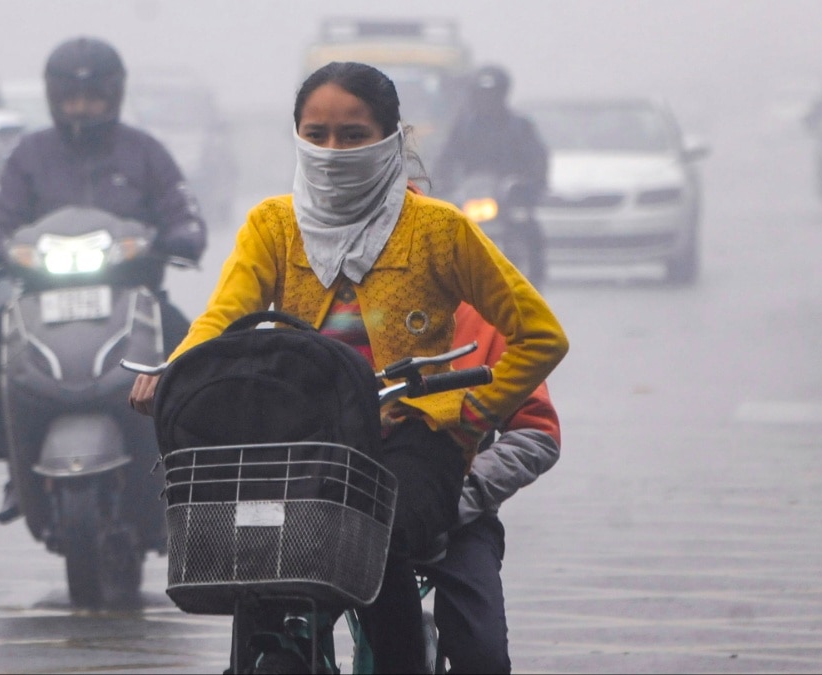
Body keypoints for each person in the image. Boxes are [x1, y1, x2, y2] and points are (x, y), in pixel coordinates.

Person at [129, 61, 568, 673]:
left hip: (410, 447)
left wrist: (460, 413)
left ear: (392, 138)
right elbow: (221, 321)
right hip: (303, 443)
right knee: (257, 558)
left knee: (374, 540)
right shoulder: (272, 225)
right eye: (317, 134)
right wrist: (175, 370)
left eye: (353, 135)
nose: (332, 151)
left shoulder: (441, 230)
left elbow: (541, 335)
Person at [0, 36, 206, 524]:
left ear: (114, 95)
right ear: (54, 97)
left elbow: (184, 214)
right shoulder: (28, 156)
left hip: (134, 298)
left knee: (189, 349)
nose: (82, 109)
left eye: (93, 98)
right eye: (72, 98)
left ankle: (187, 466)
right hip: (40, 300)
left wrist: (179, 238)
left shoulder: (146, 153)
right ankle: (13, 461)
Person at [418, 302, 561, 674]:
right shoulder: (329, 303)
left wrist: (464, 492)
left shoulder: (485, 320)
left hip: (456, 516)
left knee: (483, 657)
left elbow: (537, 433)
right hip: (347, 511)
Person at [432, 64, 549, 205]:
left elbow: (537, 160)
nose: (487, 100)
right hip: (469, 196)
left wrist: (528, 184)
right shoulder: (464, 127)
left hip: (509, 199)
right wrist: (441, 181)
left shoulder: (520, 127)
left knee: (525, 224)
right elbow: (447, 157)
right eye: (482, 94)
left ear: (502, 95)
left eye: (493, 94)